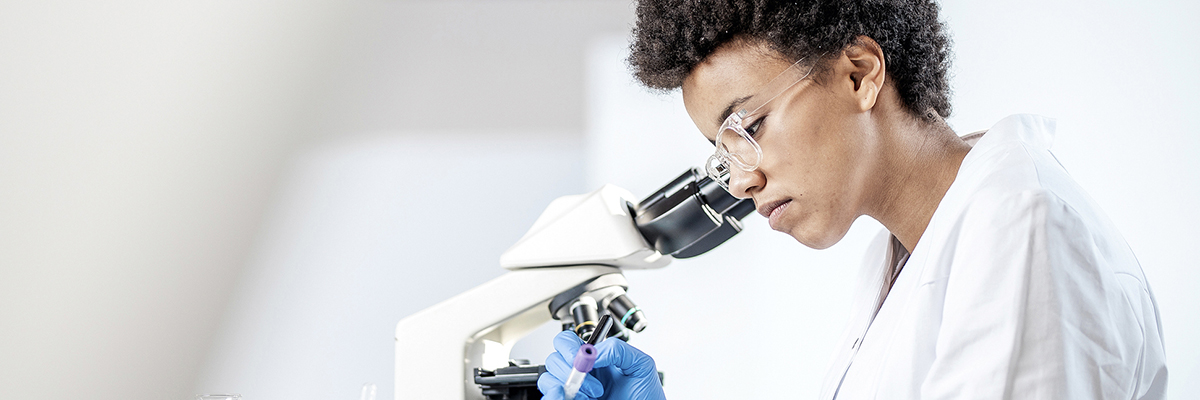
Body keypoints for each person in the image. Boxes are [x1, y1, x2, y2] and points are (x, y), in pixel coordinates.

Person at [538, 0, 1168, 399]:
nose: (737, 181)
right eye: (722, 152)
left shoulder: (1020, 227)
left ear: (860, 73)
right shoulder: (899, 260)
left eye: (747, 129)